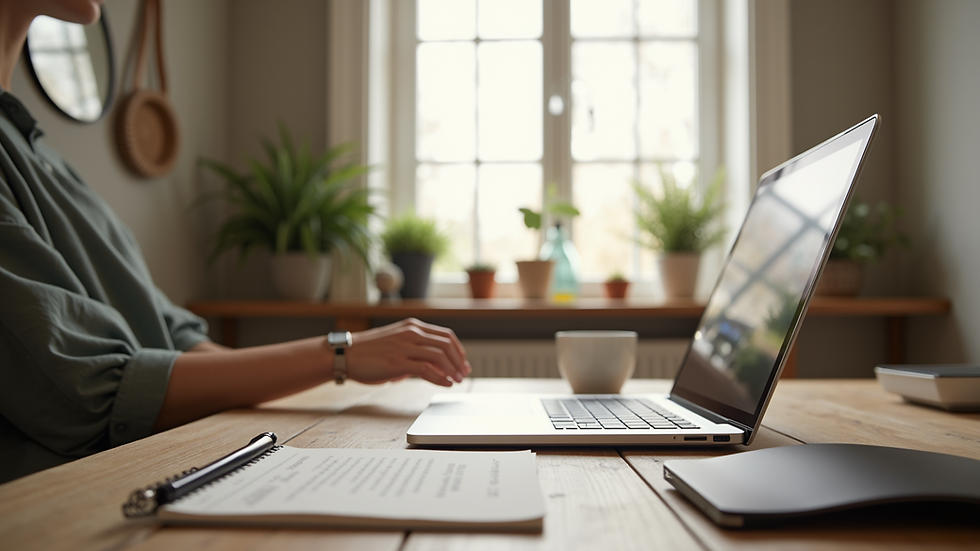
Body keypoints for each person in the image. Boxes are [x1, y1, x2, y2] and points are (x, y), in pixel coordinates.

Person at [0, 0, 471, 484]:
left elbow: (178, 341)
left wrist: (339, 365)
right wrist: (341, 355)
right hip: (71, 495)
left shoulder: (42, 155)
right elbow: (96, 393)